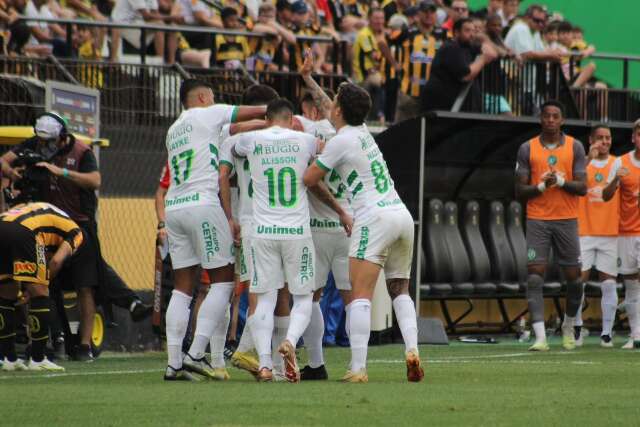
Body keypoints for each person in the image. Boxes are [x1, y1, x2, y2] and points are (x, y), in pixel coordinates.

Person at [0, 112, 152, 362]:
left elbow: (95, 181)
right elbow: (4, 161)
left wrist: (61, 172)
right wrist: (15, 174)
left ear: (62, 137)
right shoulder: (33, 146)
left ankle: (84, 345)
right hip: (45, 227)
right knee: (45, 286)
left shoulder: (81, 151)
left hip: (77, 224)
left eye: (49, 141)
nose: (44, 146)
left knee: (86, 283)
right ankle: (52, 339)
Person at [303, 78, 423, 383]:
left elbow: (309, 178)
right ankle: (412, 351)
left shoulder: (340, 141)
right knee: (399, 290)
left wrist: (307, 157)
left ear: (340, 110)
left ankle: (357, 368)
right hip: (401, 215)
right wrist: (308, 79)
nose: (330, 105)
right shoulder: (363, 132)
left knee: (358, 296)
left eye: (335, 101)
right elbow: (331, 106)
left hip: (374, 218)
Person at [232, 98, 352, 383]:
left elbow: (234, 145)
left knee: (264, 301)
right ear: (289, 117)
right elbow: (320, 166)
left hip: (262, 232)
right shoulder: (306, 140)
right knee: (302, 298)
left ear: (269, 116)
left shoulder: (250, 139)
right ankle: (290, 342)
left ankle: (263, 364)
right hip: (297, 232)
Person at [162, 79, 266, 381]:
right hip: (203, 204)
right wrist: (273, 113)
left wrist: (259, 123)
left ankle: (174, 364)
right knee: (223, 281)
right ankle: (196, 354)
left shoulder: (174, 129)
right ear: (204, 96)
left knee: (183, 287)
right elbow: (246, 113)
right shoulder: (207, 113)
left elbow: (232, 131)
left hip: (175, 207)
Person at [514, 100, 587, 351]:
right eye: (547, 116)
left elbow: (583, 187)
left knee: (575, 279)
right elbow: (519, 191)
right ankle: (540, 337)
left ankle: (568, 325)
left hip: (567, 220)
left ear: (562, 120)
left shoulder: (575, 147)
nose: (551, 120)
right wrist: (543, 186)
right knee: (535, 277)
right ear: (540, 119)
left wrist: (562, 182)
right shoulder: (527, 148)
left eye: (556, 116)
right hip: (538, 220)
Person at [217, 84, 279, 379]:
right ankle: (246, 353)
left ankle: (251, 352)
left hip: (252, 220)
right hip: (257, 221)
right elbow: (223, 176)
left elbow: (224, 176)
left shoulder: (238, 138)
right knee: (258, 290)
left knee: (262, 289)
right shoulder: (264, 136)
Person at [297, 52, 351, 380]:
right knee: (353, 297)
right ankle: (357, 365)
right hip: (347, 226)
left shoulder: (306, 130)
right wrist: (309, 79)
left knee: (308, 296)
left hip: (316, 228)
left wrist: (307, 78)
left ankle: (315, 362)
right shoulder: (357, 136)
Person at [0, 202, 83, 372]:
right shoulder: (77, 233)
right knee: (41, 293)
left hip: (2, 224)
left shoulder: (46, 212)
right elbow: (56, 261)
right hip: (25, 231)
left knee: (6, 292)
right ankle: (38, 358)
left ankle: (8, 358)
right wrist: (39, 285)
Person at [575, 124, 618, 348]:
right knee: (578, 281)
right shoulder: (582, 162)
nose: (604, 141)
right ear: (591, 140)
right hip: (584, 231)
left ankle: (606, 333)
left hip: (610, 232)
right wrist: (587, 159)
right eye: (600, 137)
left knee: (609, 283)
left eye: (607, 138)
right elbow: (573, 182)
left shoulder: (618, 163)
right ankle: (577, 328)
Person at [602, 118, 640, 349]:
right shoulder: (620, 162)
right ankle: (636, 335)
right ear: (634, 137)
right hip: (626, 232)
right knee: (632, 283)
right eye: (639, 133)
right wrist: (616, 179)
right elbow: (606, 196)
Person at [422, 17, 497, 112]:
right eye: (467, 30)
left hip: (456, 107)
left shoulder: (468, 46)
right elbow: (465, 75)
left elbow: (492, 53)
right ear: (456, 33)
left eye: (473, 31)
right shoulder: (451, 47)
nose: (472, 34)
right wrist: (482, 60)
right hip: (439, 105)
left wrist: (484, 40)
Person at [396, 0, 447, 122]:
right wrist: (394, 63)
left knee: (429, 131)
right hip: (409, 92)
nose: (429, 15)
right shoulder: (407, 32)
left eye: (432, 12)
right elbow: (384, 41)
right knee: (402, 129)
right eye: (425, 12)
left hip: (433, 92)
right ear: (419, 14)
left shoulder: (443, 34)